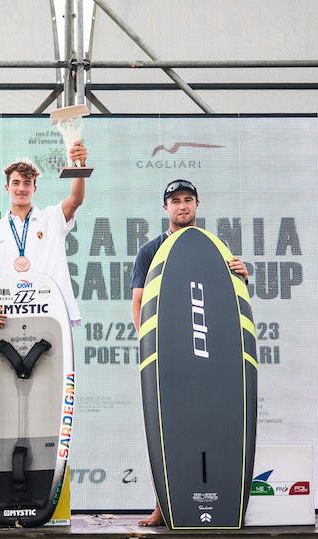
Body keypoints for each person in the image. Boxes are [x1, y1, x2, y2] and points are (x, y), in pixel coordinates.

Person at [130, 178, 249, 526]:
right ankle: (163, 506)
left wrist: (244, 276)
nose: (182, 206)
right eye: (175, 201)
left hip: (209, 352)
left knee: (213, 423)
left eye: (188, 200)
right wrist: (149, 346)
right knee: (167, 427)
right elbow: (137, 303)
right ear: (164, 207)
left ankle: (223, 503)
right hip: (167, 356)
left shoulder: (216, 246)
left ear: (197, 205)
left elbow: (230, 300)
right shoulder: (150, 251)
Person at [0, 144, 88, 328]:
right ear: (6, 187)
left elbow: (76, 199)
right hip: (8, 314)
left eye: (27, 183)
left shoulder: (51, 218)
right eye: (16, 183)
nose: (21, 189)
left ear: (35, 187)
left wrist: (80, 166)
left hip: (50, 311)